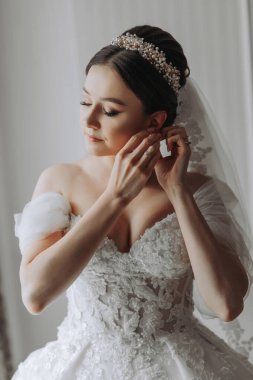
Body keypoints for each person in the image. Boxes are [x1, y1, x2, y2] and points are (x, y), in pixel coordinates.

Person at [12, 25, 253, 379]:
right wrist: (114, 197)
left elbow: (226, 304)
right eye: (84, 101)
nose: (89, 120)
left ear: (154, 120)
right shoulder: (59, 181)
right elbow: (35, 295)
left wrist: (178, 193)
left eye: (109, 111)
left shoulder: (199, 190)